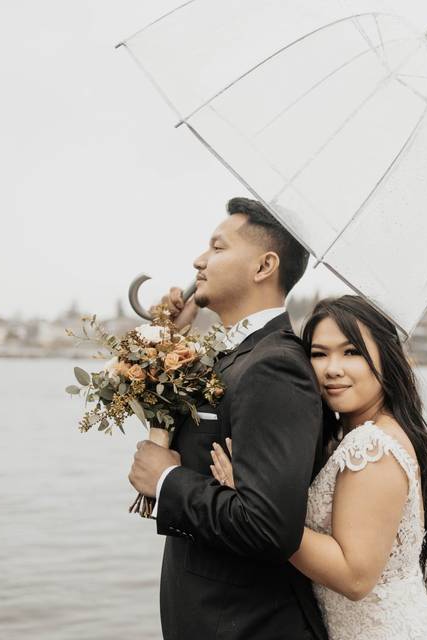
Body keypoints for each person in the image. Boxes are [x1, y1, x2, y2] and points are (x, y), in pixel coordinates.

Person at [127, 197, 329, 640]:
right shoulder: (235, 357)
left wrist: (167, 482)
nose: (199, 260)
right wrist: (169, 338)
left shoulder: (275, 366)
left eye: (217, 248)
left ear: (264, 266)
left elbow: (270, 527)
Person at [209, 295, 427, 639]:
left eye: (351, 352)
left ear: (386, 357)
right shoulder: (350, 435)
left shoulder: (371, 447)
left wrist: (255, 502)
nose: (332, 368)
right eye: (319, 354)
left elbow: (354, 577)